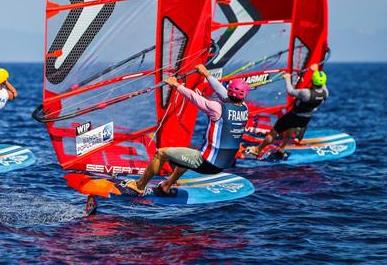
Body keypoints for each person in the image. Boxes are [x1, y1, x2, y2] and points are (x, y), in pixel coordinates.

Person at [123, 64, 249, 197]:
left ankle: (139, 186)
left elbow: (193, 97)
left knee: (160, 153)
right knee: (186, 155)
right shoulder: (245, 109)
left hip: (206, 163)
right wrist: (206, 74)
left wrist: (176, 85)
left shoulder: (216, 108)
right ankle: (167, 185)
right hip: (224, 163)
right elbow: (221, 92)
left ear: (229, 91)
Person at [244, 64, 328, 160]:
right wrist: (316, 71)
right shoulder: (325, 93)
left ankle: (257, 150)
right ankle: (281, 149)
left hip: (294, 116)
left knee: (273, 132)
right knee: (290, 129)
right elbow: (323, 84)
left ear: (312, 81)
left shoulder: (306, 93)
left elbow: (291, 91)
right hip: (305, 119)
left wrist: (287, 78)